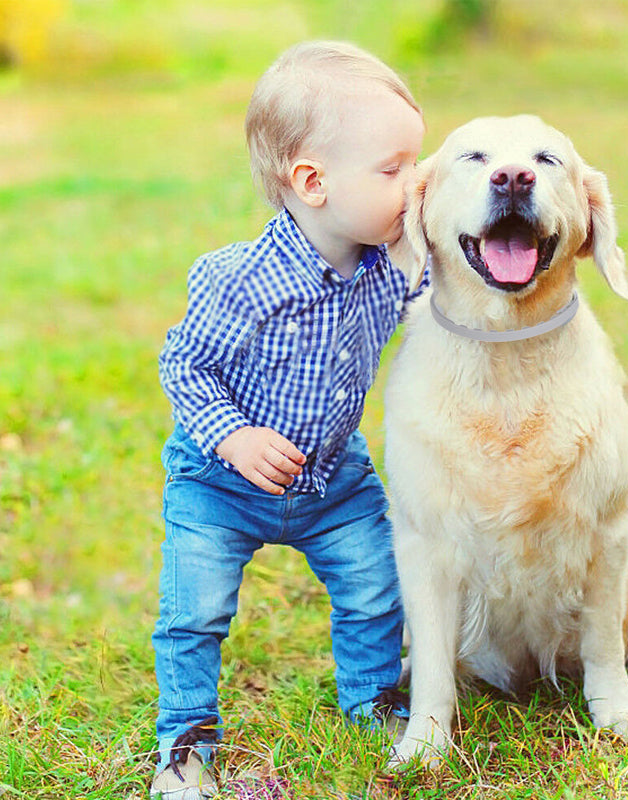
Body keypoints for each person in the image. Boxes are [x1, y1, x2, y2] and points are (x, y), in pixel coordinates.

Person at [150, 40, 426, 799]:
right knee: (194, 612)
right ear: (312, 182)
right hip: (220, 482)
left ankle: (373, 702)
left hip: (333, 480)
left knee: (376, 587)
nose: (417, 184)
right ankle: (185, 743)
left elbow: (452, 293)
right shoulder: (237, 278)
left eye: (418, 162)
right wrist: (234, 437)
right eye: (394, 169)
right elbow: (184, 365)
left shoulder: (393, 268)